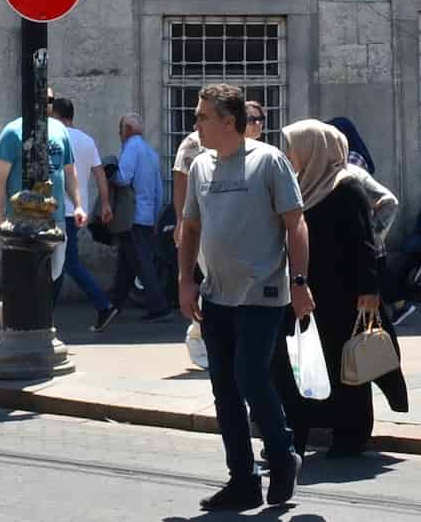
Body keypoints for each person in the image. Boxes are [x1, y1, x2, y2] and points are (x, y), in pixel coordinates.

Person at [178, 83, 310, 511]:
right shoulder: (199, 167)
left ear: (227, 122)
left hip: (263, 293)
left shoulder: (268, 161)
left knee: (250, 377)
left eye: (202, 116)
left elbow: (296, 224)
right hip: (216, 294)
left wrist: (300, 282)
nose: (194, 123)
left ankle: (283, 453)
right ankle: (243, 479)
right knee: (224, 390)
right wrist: (185, 280)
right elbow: (191, 229)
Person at [269, 120, 407, 458]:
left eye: (293, 148)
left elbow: (364, 244)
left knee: (349, 364)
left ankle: (352, 433)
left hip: (345, 293)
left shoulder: (346, 188)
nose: (289, 156)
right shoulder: (302, 186)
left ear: (313, 149)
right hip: (312, 291)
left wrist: (370, 289)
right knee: (315, 361)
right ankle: (315, 424)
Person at [0, 105, 85, 305]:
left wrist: (78, 204)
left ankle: (36, 318)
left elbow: (69, 172)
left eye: (50, 99)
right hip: (20, 219)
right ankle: (14, 316)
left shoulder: (59, 130)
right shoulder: (12, 132)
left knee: (54, 273)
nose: (45, 102)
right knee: (23, 275)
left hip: (55, 217)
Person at [47, 97, 117, 329]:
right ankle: (46, 315)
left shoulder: (55, 137)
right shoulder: (87, 140)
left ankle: (103, 306)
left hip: (61, 211)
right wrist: (105, 204)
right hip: (78, 210)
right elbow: (99, 174)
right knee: (59, 262)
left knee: (67, 262)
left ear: (55, 115)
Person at [173, 100, 265, 244]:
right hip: (203, 219)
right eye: (251, 120)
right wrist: (181, 220)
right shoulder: (195, 142)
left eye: (261, 119)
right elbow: (181, 176)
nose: (258, 124)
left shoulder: (263, 153)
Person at [110, 113, 172, 323]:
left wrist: (108, 173)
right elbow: (158, 190)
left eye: (120, 130)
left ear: (126, 130)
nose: (120, 135)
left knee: (141, 262)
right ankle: (113, 304)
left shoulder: (131, 148)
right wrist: (154, 217)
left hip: (132, 216)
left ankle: (158, 307)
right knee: (127, 262)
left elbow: (123, 177)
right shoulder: (150, 153)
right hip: (146, 217)